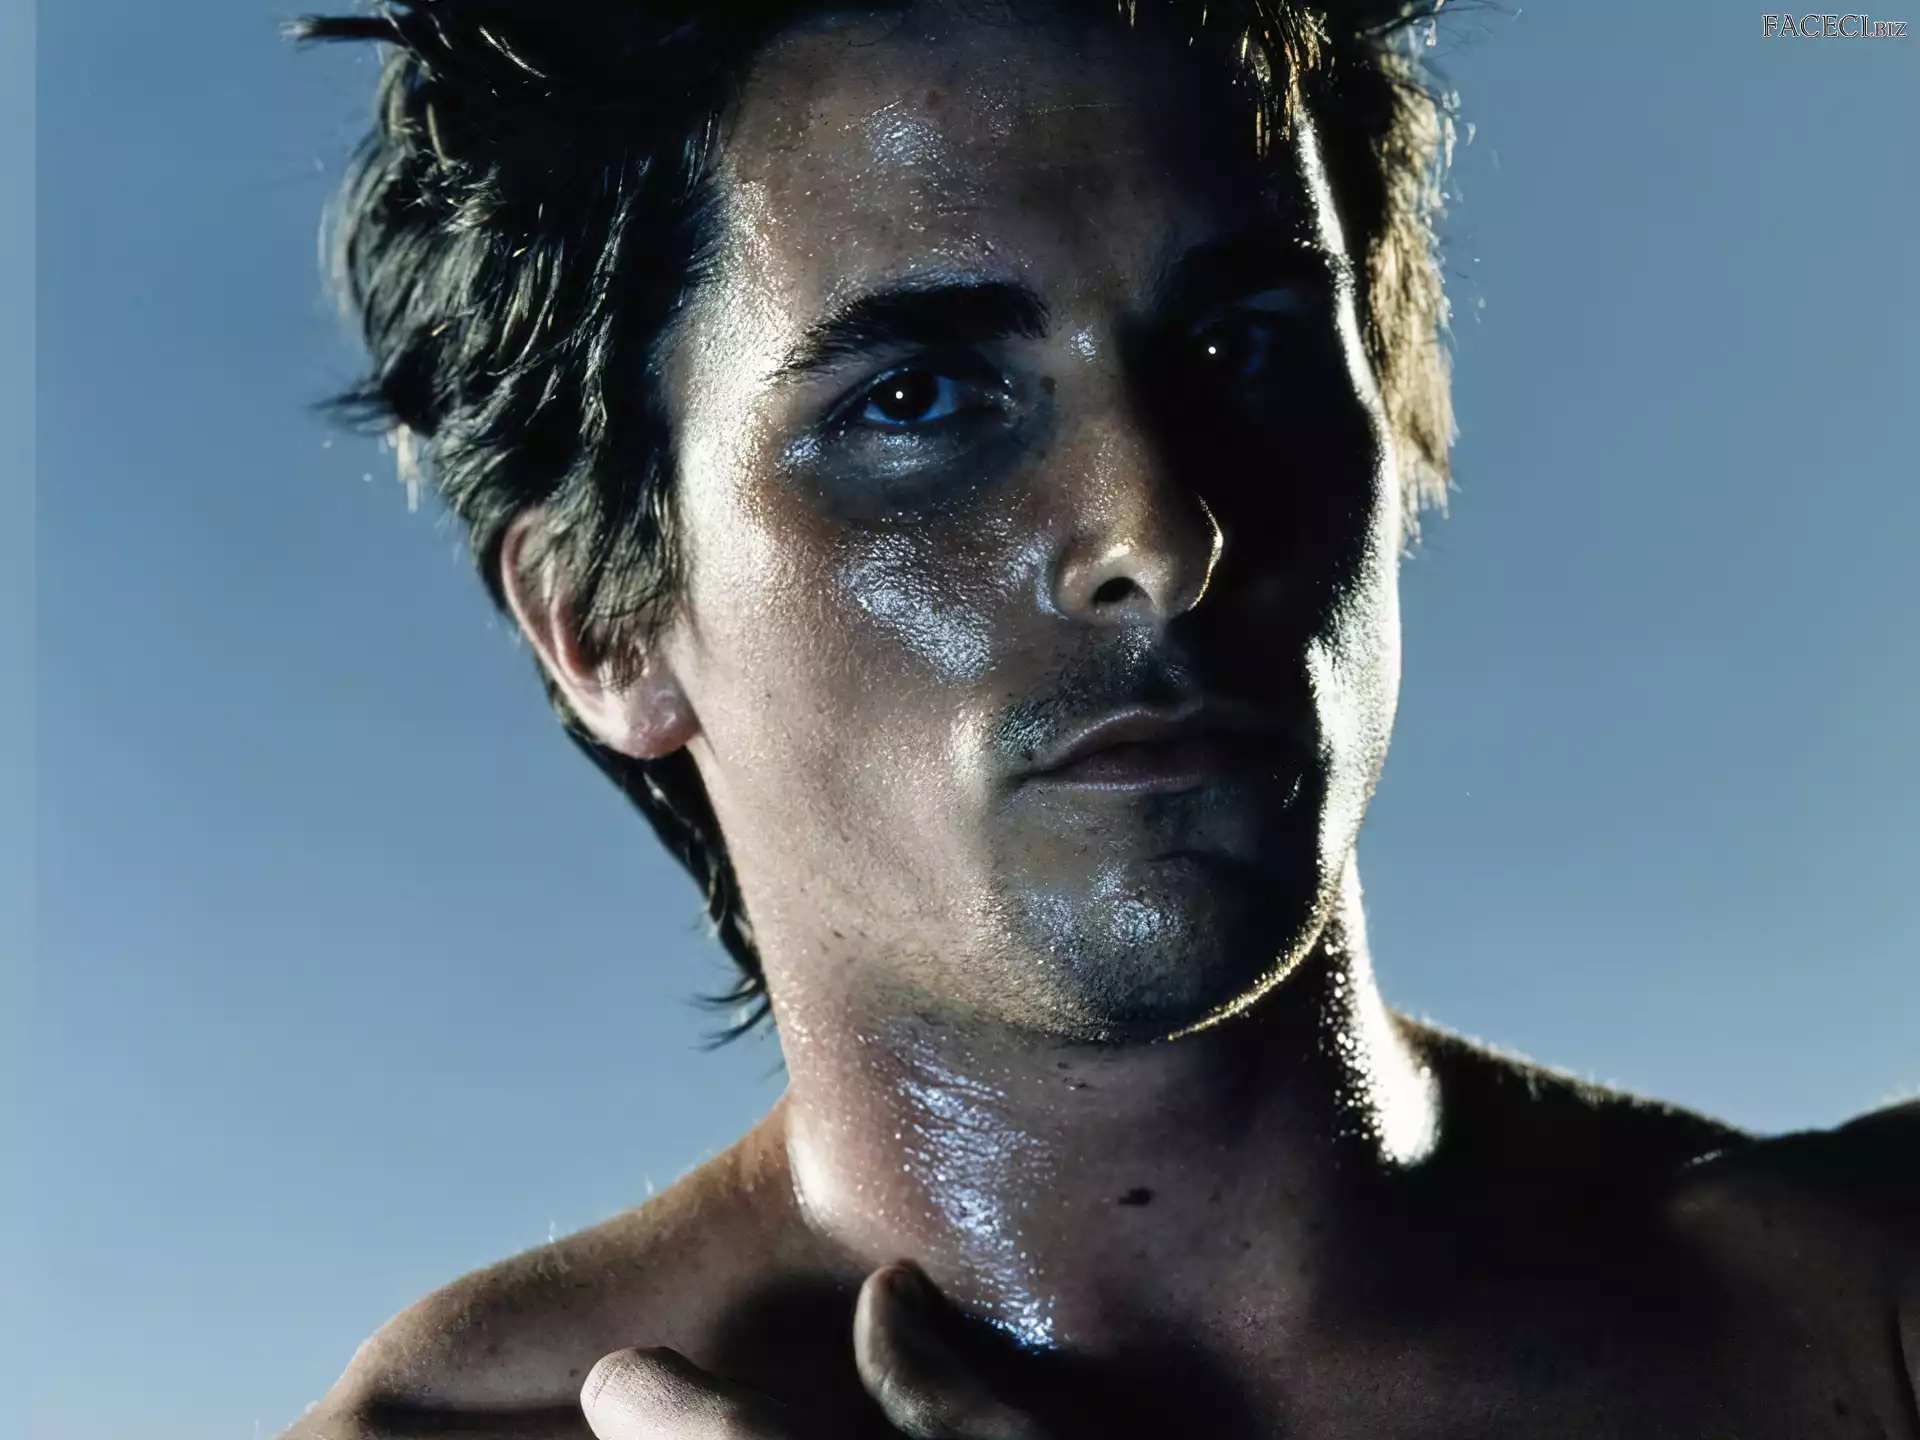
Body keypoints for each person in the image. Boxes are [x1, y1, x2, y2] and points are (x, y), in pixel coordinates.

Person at [280, 0, 1918, 1435]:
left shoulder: (1867, 1305)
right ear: (603, 622)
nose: (1161, 531)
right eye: (916, 399)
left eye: (1241, 344)